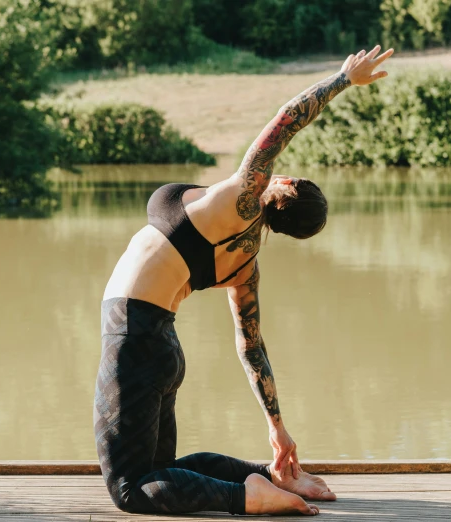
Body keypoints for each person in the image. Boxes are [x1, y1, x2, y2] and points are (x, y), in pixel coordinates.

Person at [94, 45, 394, 516]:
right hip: (161, 345)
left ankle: (248, 497)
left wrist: (342, 79)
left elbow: (287, 120)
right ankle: (273, 477)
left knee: (131, 488)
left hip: (133, 334)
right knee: (159, 470)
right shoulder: (245, 266)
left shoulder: (242, 195)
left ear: (287, 187)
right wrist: (277, 429)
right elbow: (251, 347)